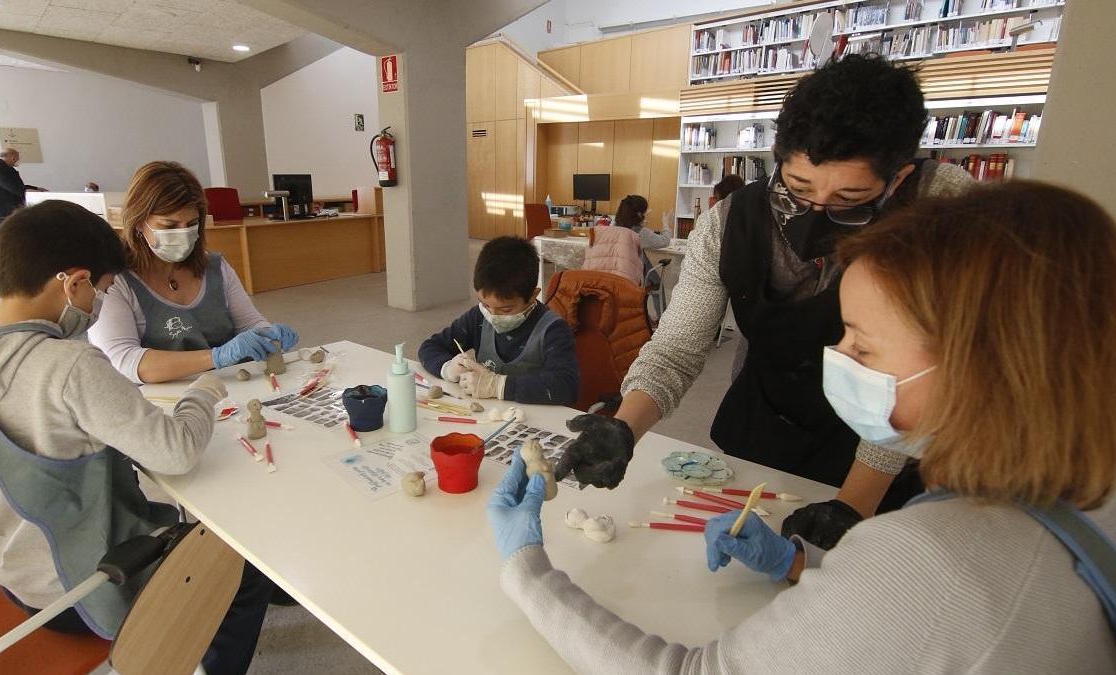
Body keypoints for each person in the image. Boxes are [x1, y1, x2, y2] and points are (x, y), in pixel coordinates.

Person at [488, 181, 1116, 672]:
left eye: (864, 349)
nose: (836, 359)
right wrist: (804, 567)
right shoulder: (1085, 495)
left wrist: (525, 568)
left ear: (985, 364)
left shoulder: (931, 557)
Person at [555, 54, 974, 549]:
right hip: (768, 417)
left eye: (850, 199)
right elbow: (678, 347)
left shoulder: (941, 211)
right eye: (797, 189)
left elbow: (926, 380)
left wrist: (854, 503)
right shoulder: (731, 221)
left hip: (883, 441)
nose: (815, 214)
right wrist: (623, 427)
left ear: (898, 177)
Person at [0, 200, 273, 674]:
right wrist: (203, 391)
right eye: (102, 291)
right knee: (246, 564)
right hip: (86, 590)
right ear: (75, 282)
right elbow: (177, 451)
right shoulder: (70, 364)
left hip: (14, 572)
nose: (97, 306)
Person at [89, 161, 297, 384]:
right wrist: (216, 357)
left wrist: (266, 333)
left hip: (227, 393)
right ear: (139, 222)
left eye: (192, 224)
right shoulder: (113, 281)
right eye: (169, 226)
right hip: (162, 405)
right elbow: (122, 361)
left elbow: (249, 323)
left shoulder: (215, 267)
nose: (183, 234)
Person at [418, 236, 579, 406]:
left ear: (533, 295)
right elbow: (429, 347)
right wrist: (448, 368)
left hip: (531, 422)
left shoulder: (552, 329)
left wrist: (498, 386)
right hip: (488, 416)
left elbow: (567, 387)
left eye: (505, 309)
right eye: (485, 304)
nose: (492, 316)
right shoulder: (479, 317)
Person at [0, 148, 44, 219]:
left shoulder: (9, 168)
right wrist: (27, 192)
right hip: (3, 209)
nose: (17, 160)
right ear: (12, 157)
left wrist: (36, 188)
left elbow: (18, 185)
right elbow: (9, 185)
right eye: (17, 157)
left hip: (12, 207)